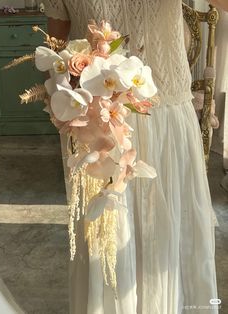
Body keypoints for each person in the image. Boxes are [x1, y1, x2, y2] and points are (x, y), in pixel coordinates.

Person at [44, 1, 218, 313]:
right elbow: (55, 45)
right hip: (96, 124)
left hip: (165, 112)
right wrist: (66, 104)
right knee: (106, 239)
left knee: (168, 231)